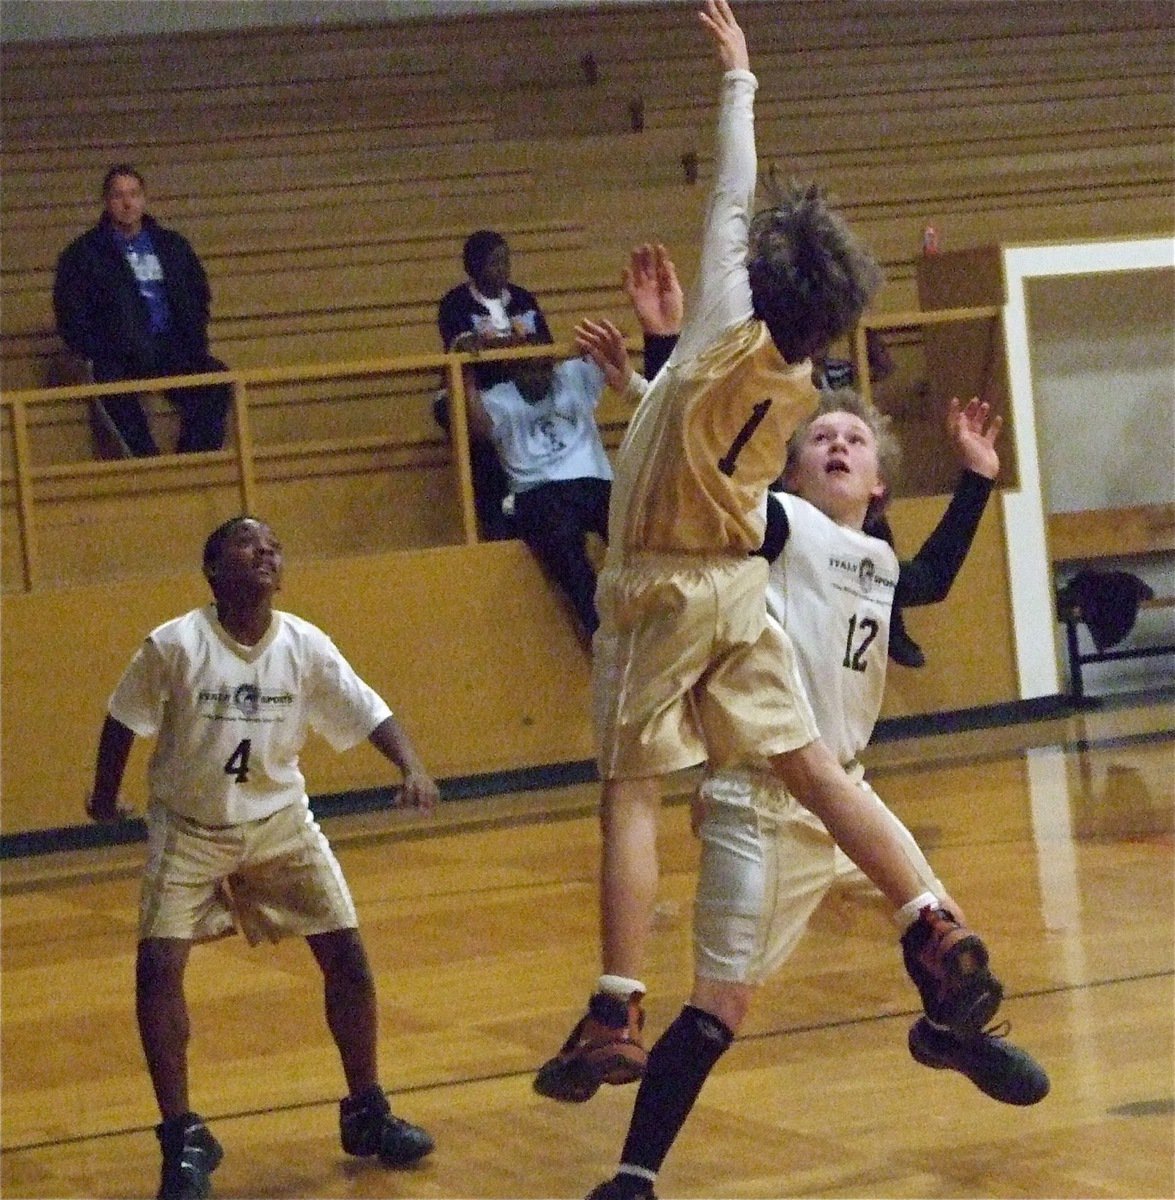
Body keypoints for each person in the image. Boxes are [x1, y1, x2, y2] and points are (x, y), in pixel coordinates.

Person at [534, 0, 1005, 1113]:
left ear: (756, 276)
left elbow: (730, 192)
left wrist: (737, 78)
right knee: (813, 770)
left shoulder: (712, 338)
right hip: (733, 587)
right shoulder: (796, 385)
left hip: (651, 586)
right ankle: (928, 919)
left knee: (631, 793)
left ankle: (614, 1003)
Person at [581, 284, 1048, 1197]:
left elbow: (939, 575)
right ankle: (634, 1174)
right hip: (760, 805)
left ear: (877, 482)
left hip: (845, 795)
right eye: (819, 438)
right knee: (721, 1007)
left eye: (855, 439)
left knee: (949, 939)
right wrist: (652, 368)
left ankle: (945, 1034)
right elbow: (706, 462)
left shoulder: (876, 559)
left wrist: (976, 478)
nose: (835, 442)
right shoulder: (776, 526)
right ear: (787, 472)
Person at [84, 515, 437, 1200]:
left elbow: (366, 710)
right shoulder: (175, 643)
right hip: (190, 828)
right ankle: (182, 1135)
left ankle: (367, 1109)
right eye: (249, 544)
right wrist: (103, 797)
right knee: (158, 967)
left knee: (348, 956)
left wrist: (411, 766)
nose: (267, 551)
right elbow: (122, 718)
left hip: (279, 823)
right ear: (214, 570)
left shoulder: (303, 644)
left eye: (275, 544)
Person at [53, 164, 232, 458]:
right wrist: (97, 349)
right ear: (106, 201)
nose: (127, 203)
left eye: (134, 194)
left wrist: (194, 340)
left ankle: (192, 460)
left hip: (171, 348)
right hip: (119, 354)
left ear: (144, 198)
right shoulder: (83, 254)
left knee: (217, 379)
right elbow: (70, 313)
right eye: (118, 196)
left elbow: (197, 296)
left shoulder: (173, 246)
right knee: (110, 382)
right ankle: (146, 461)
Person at [465, 338, 613, 636]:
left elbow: (615, 342)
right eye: (529, 369)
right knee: (564, 545)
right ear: (514, 368)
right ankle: (602, 630)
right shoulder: (498, 398)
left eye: (544, 367)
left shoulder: (571, 376)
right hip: (537, 489)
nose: (539, 376)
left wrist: (587, 341)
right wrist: (465, 375)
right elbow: (479, 427)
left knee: (632, 528)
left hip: (591, 479)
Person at [436, 229, 554, 540]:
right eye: (493, 263)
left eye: (506, 261)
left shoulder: (523, 298)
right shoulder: (455, 303)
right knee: (482, 445)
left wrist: (504, 348)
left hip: (519, 389)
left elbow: (544, 344)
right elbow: (464, 348)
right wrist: (512, 347)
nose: (502, 269)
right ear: (473, 268)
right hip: (475, 391)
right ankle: (496, 523)